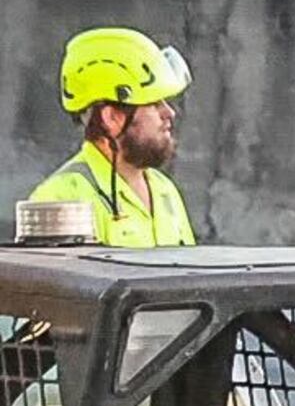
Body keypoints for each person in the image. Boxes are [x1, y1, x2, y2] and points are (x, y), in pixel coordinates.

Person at [32, 27, 201, 247]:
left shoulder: (164, 190)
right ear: (111, 118)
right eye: (153, 103)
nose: (169, 113)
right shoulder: (60, 199)